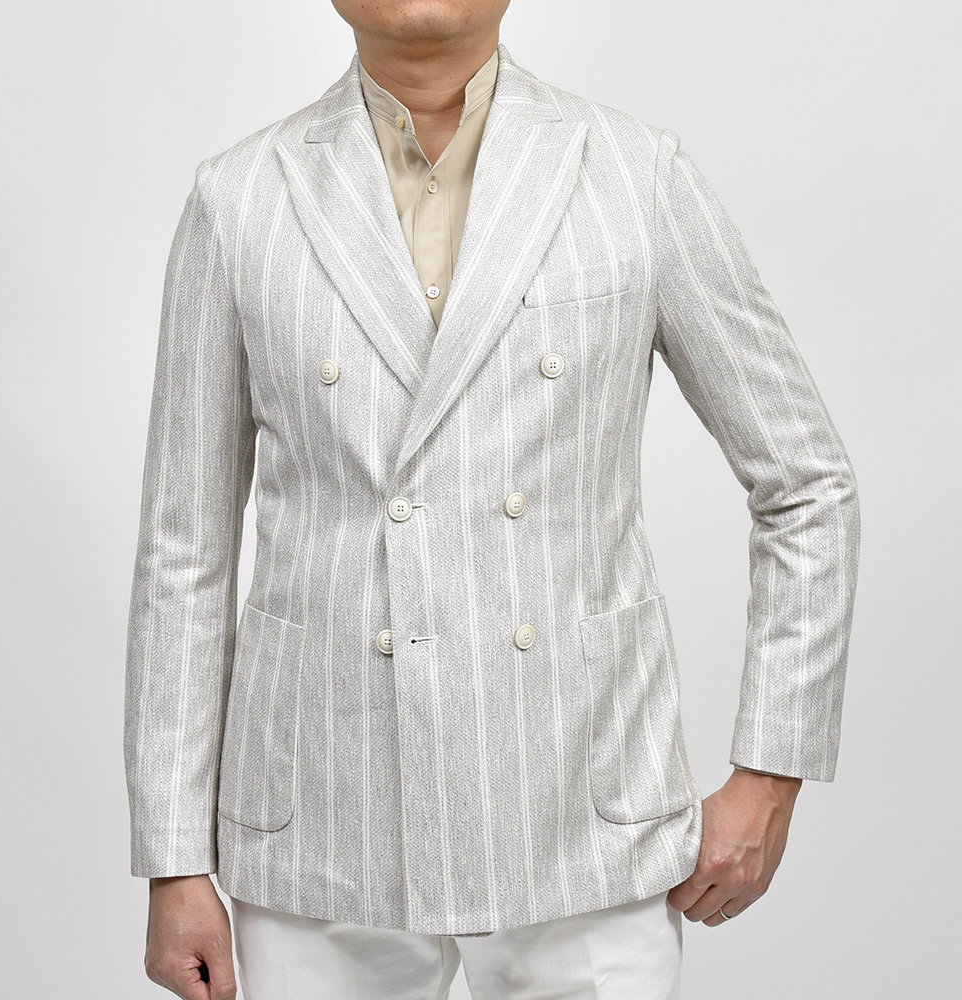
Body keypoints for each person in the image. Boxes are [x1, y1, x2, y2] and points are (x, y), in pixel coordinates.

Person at [122, 2, 861, 998]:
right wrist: (175, 857)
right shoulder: (241, 196)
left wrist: (771, 770)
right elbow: (185, 549)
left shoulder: (633, 172)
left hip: (582, 810)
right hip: (320, 824)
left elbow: (805, 482)